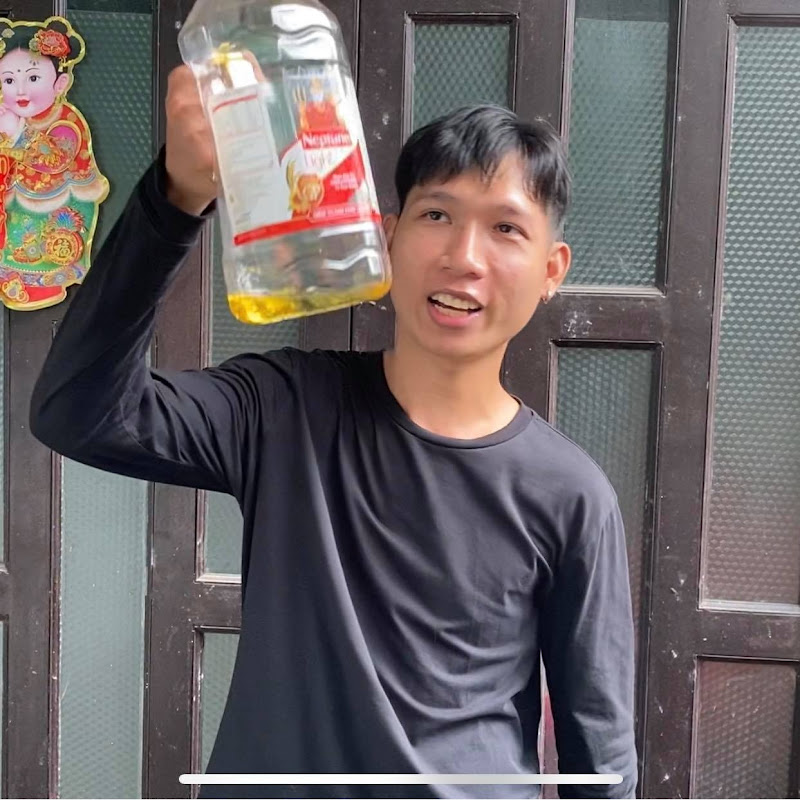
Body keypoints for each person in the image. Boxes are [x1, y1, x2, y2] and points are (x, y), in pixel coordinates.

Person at [30, 65, 637, 799]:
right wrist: (177, 198)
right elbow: (78, 409)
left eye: (506, 228)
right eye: (437, 215)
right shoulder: (283, 408)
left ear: (550, 270)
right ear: (388, 237)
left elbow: (600, 758)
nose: (464, 257)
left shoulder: (572, 495)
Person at [0, 17, 108, 310]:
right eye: (9, 80)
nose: (20, 90)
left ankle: (40, 286)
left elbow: (55, 159)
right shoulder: (9, 118)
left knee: (41, 255)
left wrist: (17, 134)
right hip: (17, 204)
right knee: (14, 251)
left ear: (60, 83)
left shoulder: (66, 121)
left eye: (33, 78)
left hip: (56, 205)